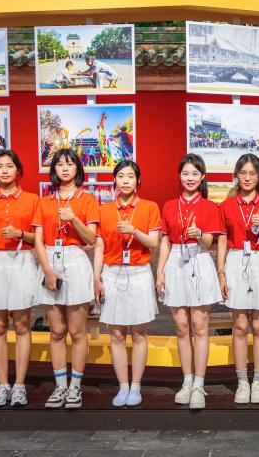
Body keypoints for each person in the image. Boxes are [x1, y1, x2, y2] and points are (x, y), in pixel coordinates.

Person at [0, 149, 42, 408]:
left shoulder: (32, 200)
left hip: (22, 260)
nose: (4, 170)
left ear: (18, 170)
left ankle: (20, 385)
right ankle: (2, 385)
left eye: (9, 166)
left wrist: (20, 234)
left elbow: (38, 238)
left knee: (22, 326)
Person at [33, 149, 100, 409]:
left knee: (77, 331)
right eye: (59, 164)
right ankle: (60, 386)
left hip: (76, 259)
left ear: (77, 169)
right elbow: (38, 241)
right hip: (50, 259)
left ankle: (75, 387)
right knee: (57, 330)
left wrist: (74, 219)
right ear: (54, 170)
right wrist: (47, 270)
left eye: (69, 164)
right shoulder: (44, 201)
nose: (64, 168)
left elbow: (91, 239)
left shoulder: (87, 199)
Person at [157, 154, 224, 410]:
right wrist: (160, 272)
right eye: (185, 173)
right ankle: (186, 381)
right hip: (176, 262)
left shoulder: (210, 207)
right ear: (179, 176)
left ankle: (199, 384)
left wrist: (200, 235)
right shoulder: (169, 205)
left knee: (199, 326)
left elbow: (210, 243)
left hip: (200, 260)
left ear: (202, 176)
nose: (190, 178)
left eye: (195, 174)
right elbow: (165, 241)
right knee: (181, 326)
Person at [93, 160, 162, 407]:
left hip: (139, 273)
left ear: (138, 181)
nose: (125, 180)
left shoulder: (149, 207)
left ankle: (136, 386)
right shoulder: (104, 210)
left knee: (139, 334)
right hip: (112, 273)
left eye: (130, 176)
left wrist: (133, 230)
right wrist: (96, 278)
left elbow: (153, 242)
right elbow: (99, 247)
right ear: (114, 180)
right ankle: (123, 386)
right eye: (121, 176)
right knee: (116, 334)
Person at [216, 154, 259, 404]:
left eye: (252, 173)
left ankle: (258, 381)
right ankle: (242, 382)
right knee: (239, 326)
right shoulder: (226, 206)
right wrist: (220, 272)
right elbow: (221, 241)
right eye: (243, 173)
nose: (247, 178)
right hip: (236, 261)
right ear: (236, 176)